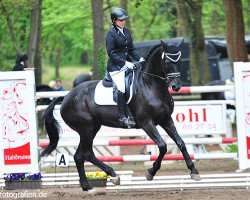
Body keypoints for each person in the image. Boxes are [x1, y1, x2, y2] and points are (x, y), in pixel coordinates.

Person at [106, 8, 144, 128]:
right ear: (114, 20)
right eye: (121, 20)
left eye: (124, 20)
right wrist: (124, 63)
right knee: (122, 87)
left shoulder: (127, 31)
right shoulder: (111, 34)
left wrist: (140, 59)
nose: (123, 22)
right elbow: (111, 53)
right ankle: (122, 116)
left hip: (127, 64)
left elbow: (131, 49)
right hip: (115, 67)